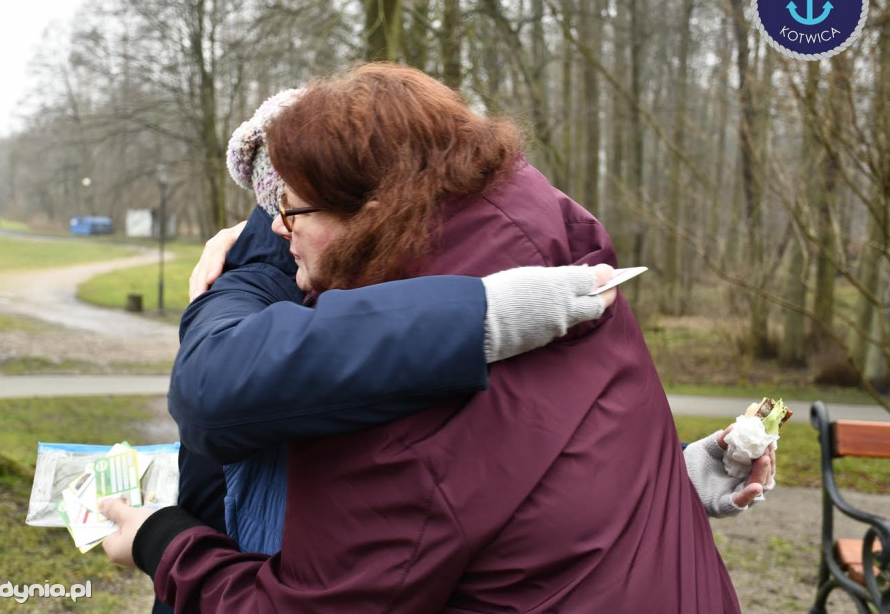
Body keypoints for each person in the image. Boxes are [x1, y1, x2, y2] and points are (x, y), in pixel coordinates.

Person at [106, 64, 771, 612]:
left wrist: (159, 543)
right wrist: (666, 481)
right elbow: (525, 472)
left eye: (289, 210)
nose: (277, 231)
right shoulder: (566, 271)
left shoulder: (391, 403)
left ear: (371, 214)